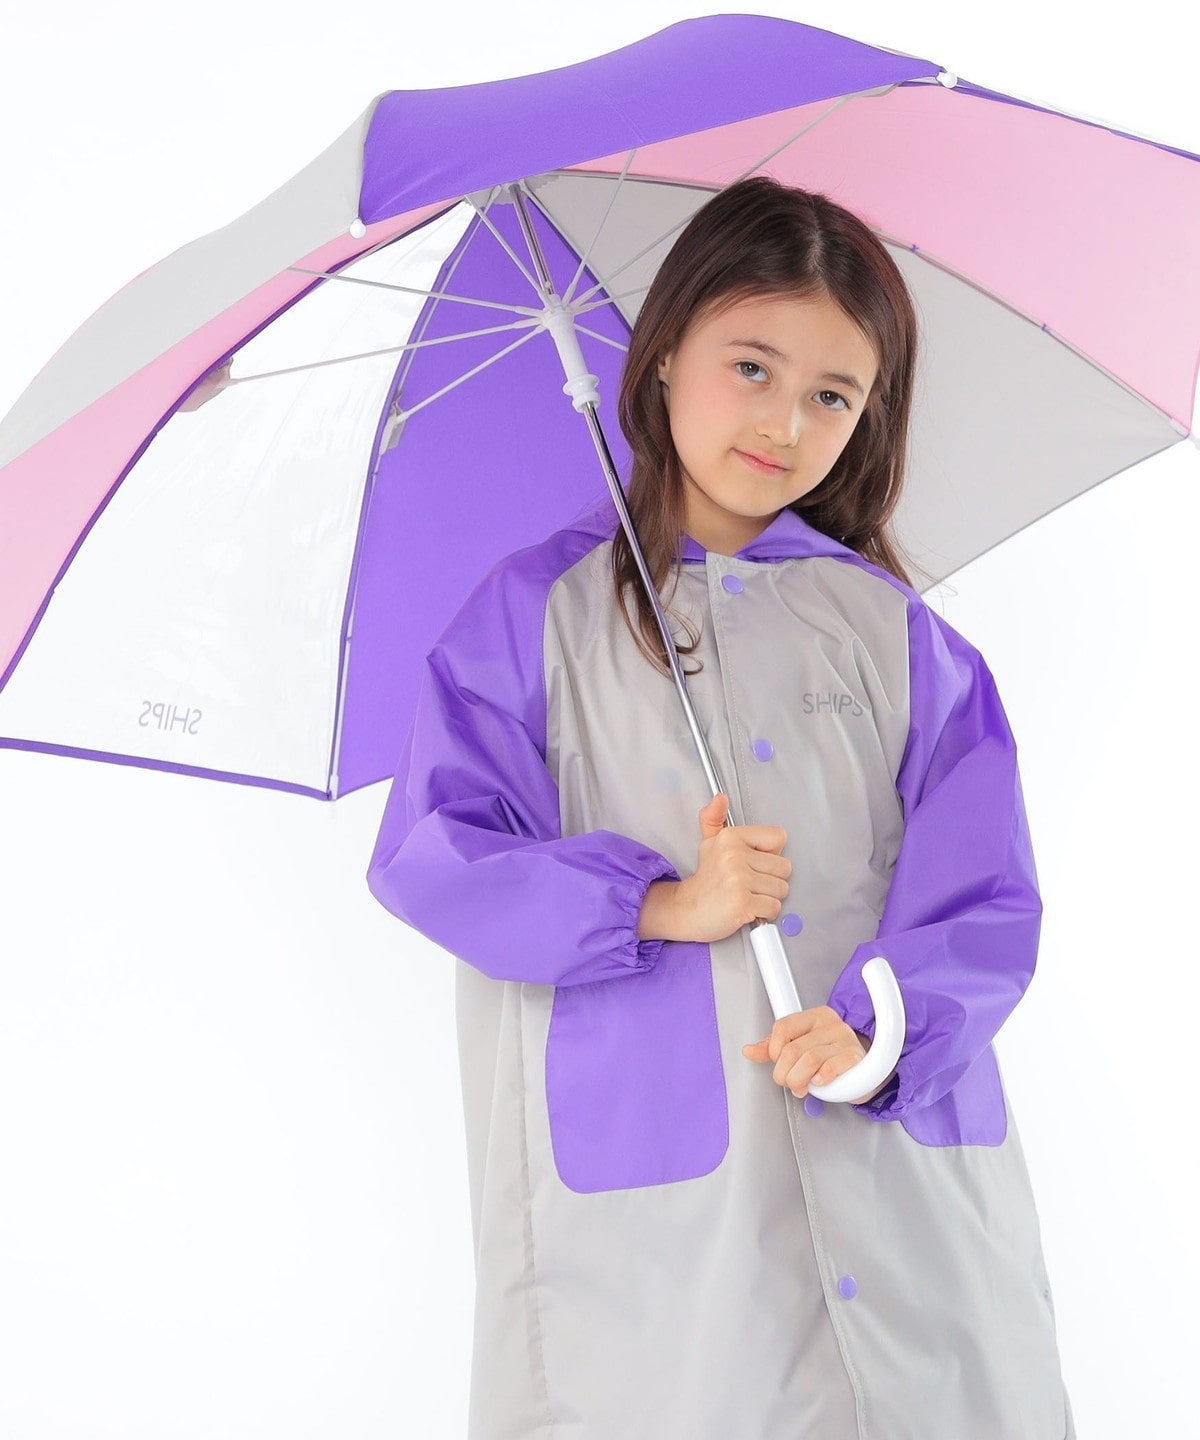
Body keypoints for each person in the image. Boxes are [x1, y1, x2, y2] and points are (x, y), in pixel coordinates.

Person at [366, 176, 1075, 1439]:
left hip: (897, 1183)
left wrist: (881, 1034)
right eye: (751, 367)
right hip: (655, 1230)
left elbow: (984, 899)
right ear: (663, 355)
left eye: (833, 395)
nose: (785, 423)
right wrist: (658, 903)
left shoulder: (898, 637)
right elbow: (434, 854)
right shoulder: (534, 619)